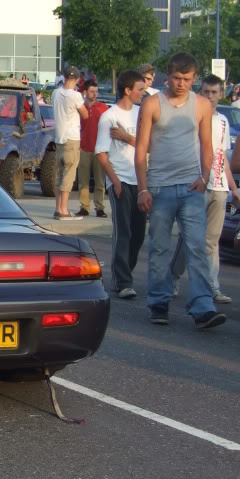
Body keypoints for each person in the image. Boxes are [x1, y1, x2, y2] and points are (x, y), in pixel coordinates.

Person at [135, 52, 224, 329]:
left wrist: (205, 177)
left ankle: (203, 307)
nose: (181, 83)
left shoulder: (201, 105)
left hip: (191, 187)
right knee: (160, 248)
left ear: (194, 78)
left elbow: (207, 145)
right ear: (167, 76)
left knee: (196, 248)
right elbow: (140, 150)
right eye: (176, 78)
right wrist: (142, 189)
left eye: (187, 79)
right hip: (159, 187)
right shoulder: (152, 104)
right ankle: (159, 303)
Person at [170, 74, 240, 304]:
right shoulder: (191, 117)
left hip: (218, 188)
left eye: (214, 92)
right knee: (188, 237)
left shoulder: (222, 121)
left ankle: (213, 286)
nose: (210, 96)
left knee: (212, 240)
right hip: (195, 184)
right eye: (206, 92)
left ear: (221, 94)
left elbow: (223, 157)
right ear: (200, 93)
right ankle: (173, 276)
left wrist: (232, 187)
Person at [95, 69, 147, 299]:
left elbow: (150, 146)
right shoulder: (109, 116)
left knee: (139, 234)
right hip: (121, 180)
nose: (144, 94)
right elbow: (101, 154)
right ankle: (123, 280)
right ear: (128, 90)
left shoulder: (143, 114)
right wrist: (114, 181)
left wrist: (127, 137)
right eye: (140, 89)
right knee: (123, 231)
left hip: (141, 180)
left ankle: (126, 271)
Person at [53, 66, 89, 219]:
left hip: (59, 138)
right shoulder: (75, 95)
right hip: (72, 138)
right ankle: (64, 210)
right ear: (77, 79)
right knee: (69, 174)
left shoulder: (56, 92)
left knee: (60, 175)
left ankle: (57, 208)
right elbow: (85, 114)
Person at [77, 82, 108, 217]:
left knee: (100, 180)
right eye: (91, 91)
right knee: (83, 181)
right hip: (84, 148)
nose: (94, 94)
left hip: (99, 149)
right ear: (85, 92)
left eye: (96, 91)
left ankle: (100, 207)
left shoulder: (103, 108)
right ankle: (84, 206)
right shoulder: (80, 107)